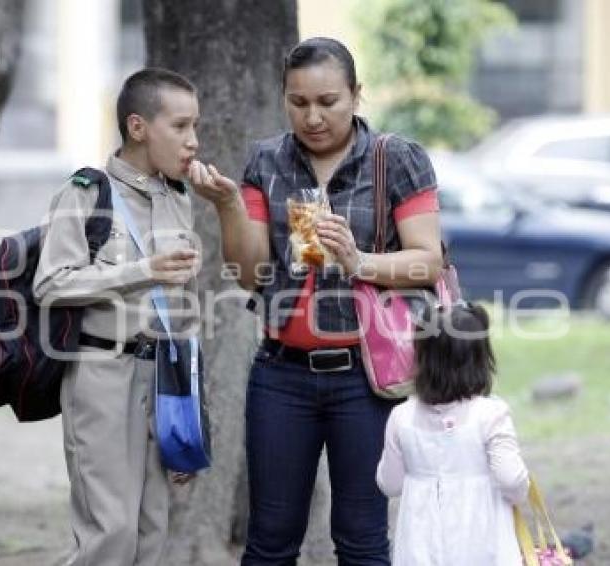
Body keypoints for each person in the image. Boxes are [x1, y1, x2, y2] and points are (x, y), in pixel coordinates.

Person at [189, 37, 443, 564]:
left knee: (362, 541)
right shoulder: (267, 159)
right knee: (270, 542)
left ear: (356, 94)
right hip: (281, 375)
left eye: (328, 101)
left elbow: (427, 261)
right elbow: (248, 272)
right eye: (298, 102)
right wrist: (229, 206)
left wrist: (360, 263)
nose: (312, 116)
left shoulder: (395, 158)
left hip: (366, 380)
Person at [33, 68, 202, 566]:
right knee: (111, 533)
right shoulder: (85, 193)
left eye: (196, 127)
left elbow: (185, 313)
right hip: (101, 375)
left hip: (163, 379)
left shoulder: (178, 201)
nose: (193, 141)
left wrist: (192, 415)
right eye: (181, 126)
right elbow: (50, 283)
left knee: (153, 532)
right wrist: (140, 271)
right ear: (138, 126)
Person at [376, 303, 530, 566]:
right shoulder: (491, 414)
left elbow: (389, 484)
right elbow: (511, 479)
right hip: (484, 543)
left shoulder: (401, 417)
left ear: (421, 355)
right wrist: (521, 490)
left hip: (419, 547)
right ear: (480, 358)